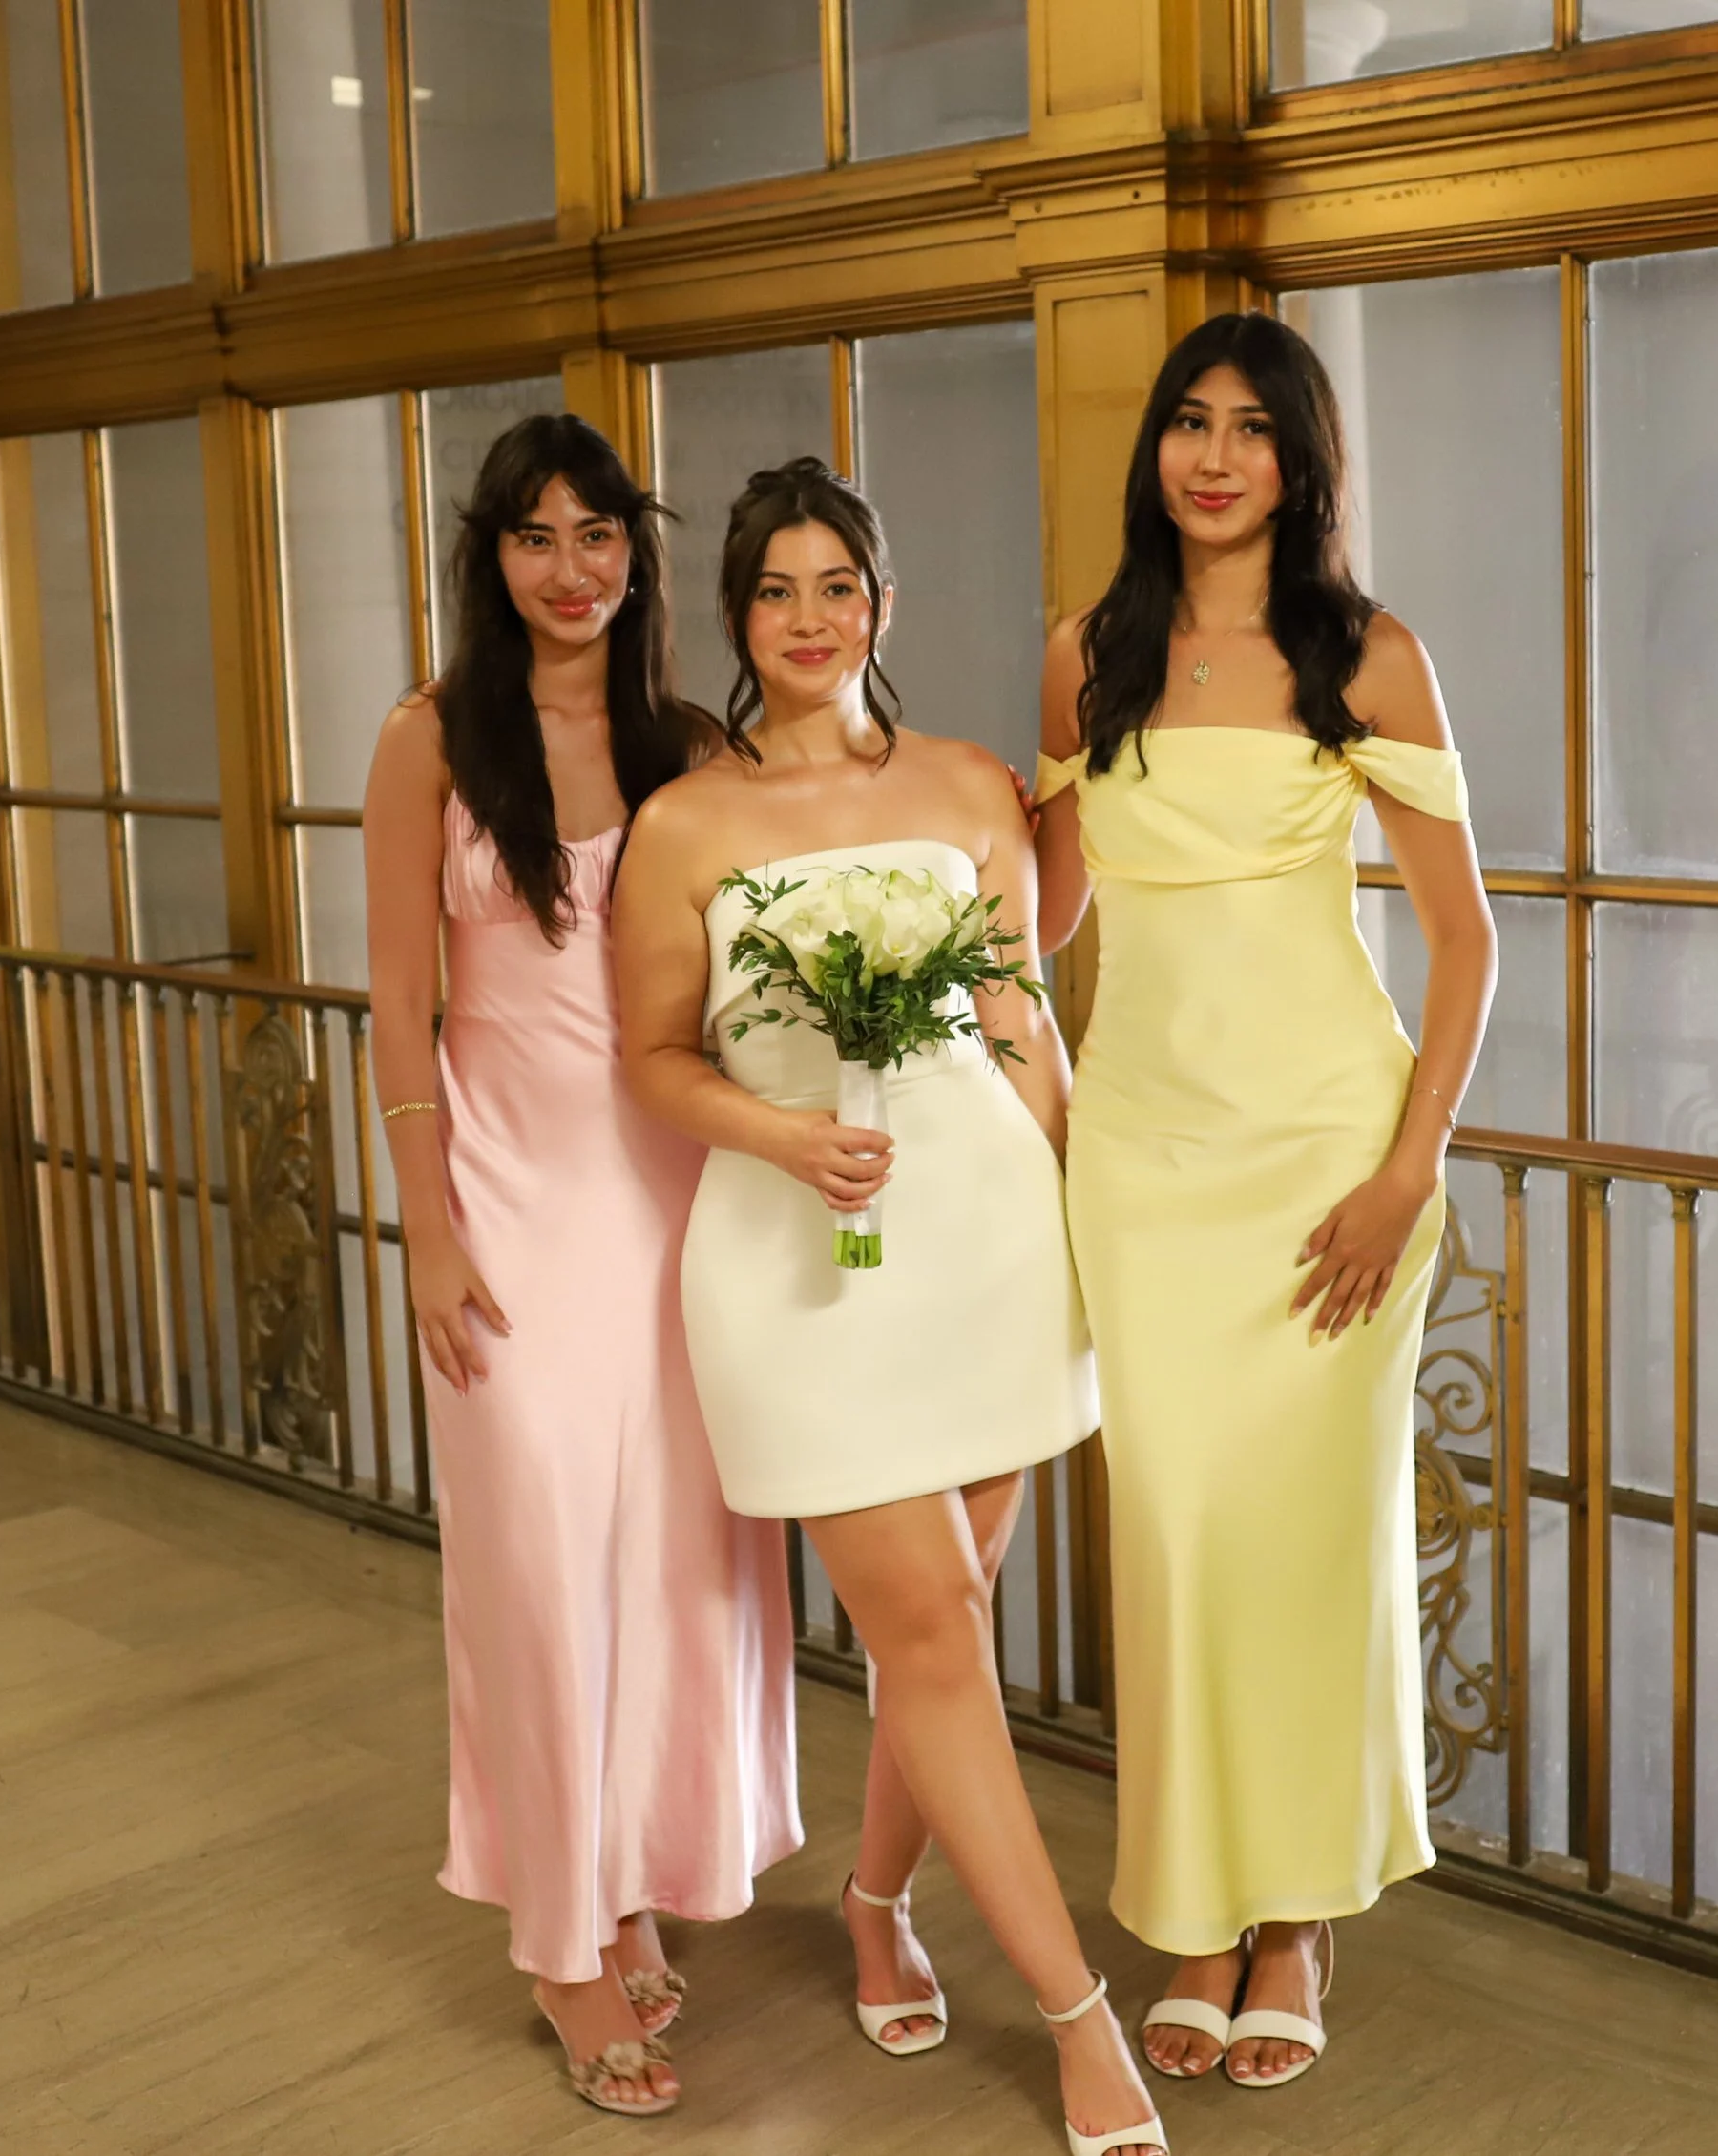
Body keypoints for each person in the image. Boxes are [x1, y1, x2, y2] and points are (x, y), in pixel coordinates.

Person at [613, 456, 1166, 2156]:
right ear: (736, 616)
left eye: (834, 586)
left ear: (881, 603)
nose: (804, 619)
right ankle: (1081, 2023)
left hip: (987, 1239)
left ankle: (873, 1900)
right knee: (929, 1630)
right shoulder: (685, 822)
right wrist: (782, 1133)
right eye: (772, 591)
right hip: (795, 1260)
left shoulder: (966, 780)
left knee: (947, 1628)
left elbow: (1020, 1019)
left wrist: (1095, 1232)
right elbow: (648, 1057)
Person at [1034, 311, 1498, 2092]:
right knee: (1175, 1538)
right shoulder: (1091, 653)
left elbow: (1467, 937)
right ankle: (1195, 1905)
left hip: (1328, 1160)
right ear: (1154, 448)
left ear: (1302, 462)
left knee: (1308, 1540)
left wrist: (1407, 1167)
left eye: (1252, 429)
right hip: (1146, 1164)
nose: (1213, 456)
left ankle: (1292, 1914)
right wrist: (898, 914)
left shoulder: (1366, 656)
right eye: (1187, 424)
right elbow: (1051, 904)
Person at [364, 414, 799, 2120]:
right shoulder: (429, 738)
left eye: (600, 532)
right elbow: (403, 1004)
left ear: (637, 550)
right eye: (537, 537)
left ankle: (627, 1877)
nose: (573, 566)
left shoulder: (688, 743)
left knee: (668, 1565)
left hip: (676, 1208)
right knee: (540, 1565)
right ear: (493, 558)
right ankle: (558, 1938)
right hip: (505, 1202)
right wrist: (426, 1222)